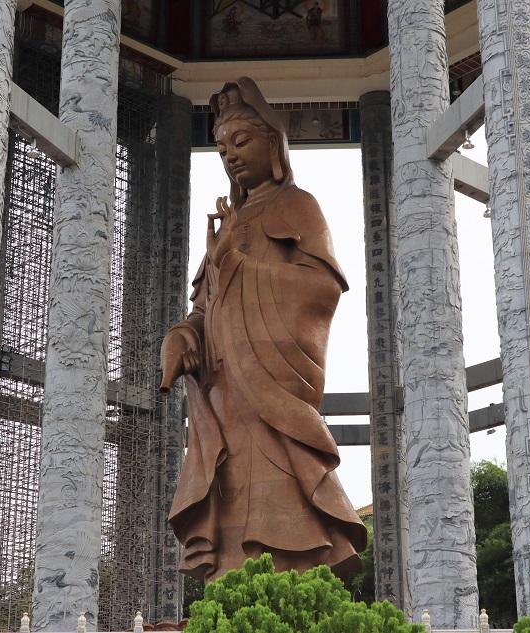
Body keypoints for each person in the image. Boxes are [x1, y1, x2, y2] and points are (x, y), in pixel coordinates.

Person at [159, 77, 366, 583]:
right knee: (229, 532)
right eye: (223, 145)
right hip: (227, 400)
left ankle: (291, 596)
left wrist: (234, 262)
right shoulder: (227, 221)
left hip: (273, 395)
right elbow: (209, 310)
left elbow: (320, 291)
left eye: (242, 141)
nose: (229, 155)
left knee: (282, 528)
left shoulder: (298, 206)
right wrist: (185, 337)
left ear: (274, 144)